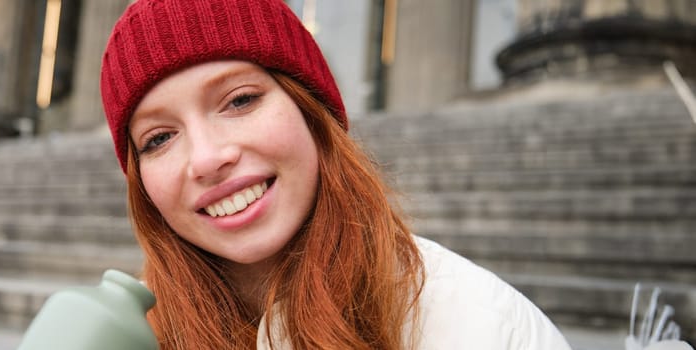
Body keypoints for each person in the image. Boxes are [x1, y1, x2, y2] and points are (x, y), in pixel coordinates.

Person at [99, 0, 572, 348]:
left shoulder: (482, 326)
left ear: (313, 112)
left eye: (240, 100)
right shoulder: (129, 336)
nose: (205, 159)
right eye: (158, 138)